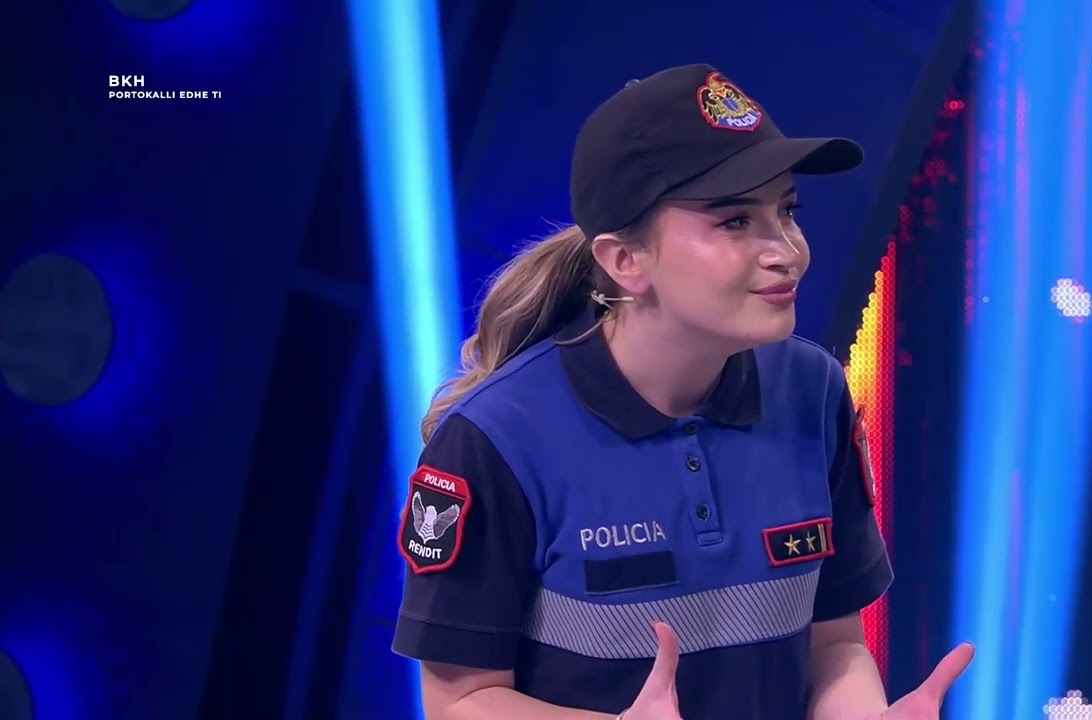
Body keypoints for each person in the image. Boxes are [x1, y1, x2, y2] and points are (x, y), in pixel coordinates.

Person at [391, 63, 973, 720]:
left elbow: (835, 645)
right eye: (735, 220)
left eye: (787, 211)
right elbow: (459, 701)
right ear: (625, 261)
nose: (786, 250)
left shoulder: (812, 389)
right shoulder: (496, 439)